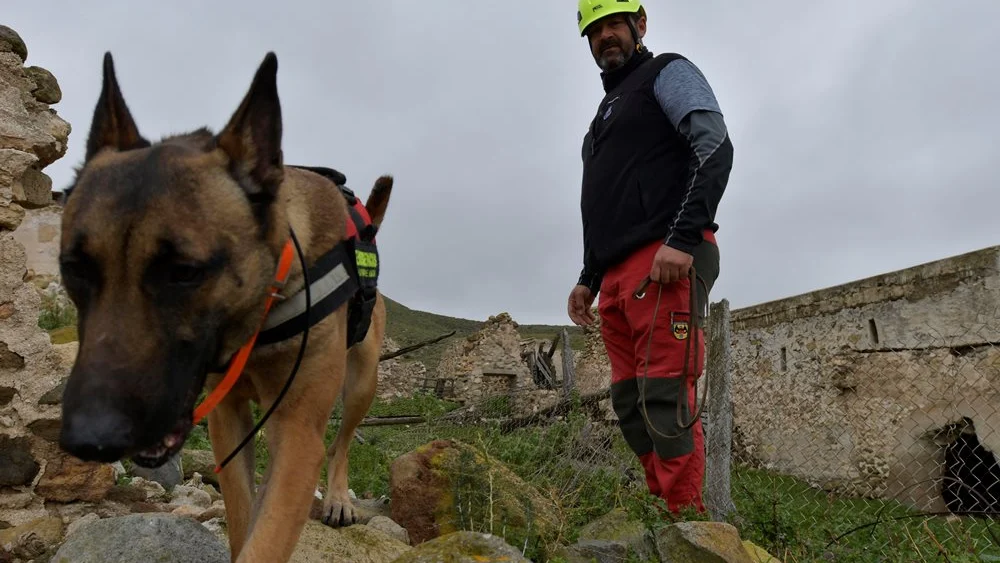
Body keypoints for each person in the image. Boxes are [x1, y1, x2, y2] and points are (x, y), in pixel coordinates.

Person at [567, 0, 733, 515]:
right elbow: (605, 206)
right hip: (616, 276)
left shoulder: (667, 72)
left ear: (639, 25)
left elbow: (715, 147)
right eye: (594, 32)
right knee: (629, 404)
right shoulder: (601, 121)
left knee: (664, 393)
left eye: (613, 24)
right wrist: (587, 277)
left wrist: (682, 239)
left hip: (666, 258)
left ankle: (691, 522)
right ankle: (664, 505)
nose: (605, 38)